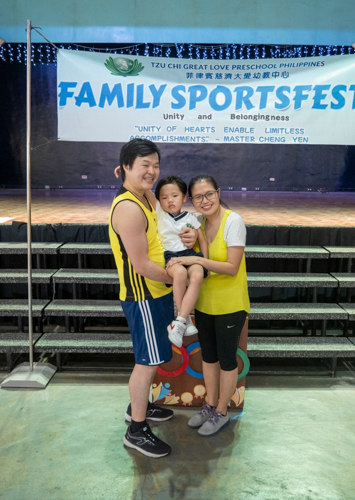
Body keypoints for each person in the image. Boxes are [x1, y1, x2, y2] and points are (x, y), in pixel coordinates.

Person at [109, 138, 195, 458]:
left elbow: (132, 175)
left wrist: (131, 173)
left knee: (156, 356)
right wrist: (175, 275)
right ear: (128, 168)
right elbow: (141, 264)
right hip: (143, 295)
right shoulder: (129, 209)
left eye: (156, 165)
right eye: (144, 165)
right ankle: (137, 430)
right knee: (147, 362)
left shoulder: (143, 194)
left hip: (155, 291)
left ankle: (138, 408)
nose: (152, 172)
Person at [166, 174, 250, 437]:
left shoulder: (233, 221)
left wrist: (197, 262)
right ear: (191, 200)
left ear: (218, 192)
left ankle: (222, 412)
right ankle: (209, 405)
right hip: (204, 305)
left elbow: (231, 267)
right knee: (210, 359)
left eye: (209, 194)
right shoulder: (198, 224)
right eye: (198, 197)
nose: (205, 201)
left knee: (226, 361)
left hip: (231, 305)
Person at [154, 176, 208, 348]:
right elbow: (144, 191)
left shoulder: (191, 217)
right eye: (164, 197)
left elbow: (203, 240)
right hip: (171, 257)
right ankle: (185, 319)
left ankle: (180, 321)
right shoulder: (160, 214)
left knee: (198, 273)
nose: (169, 200)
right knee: (180, 272)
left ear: (184, 197)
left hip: (190, 254)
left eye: (175, 195)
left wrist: (205, 261)